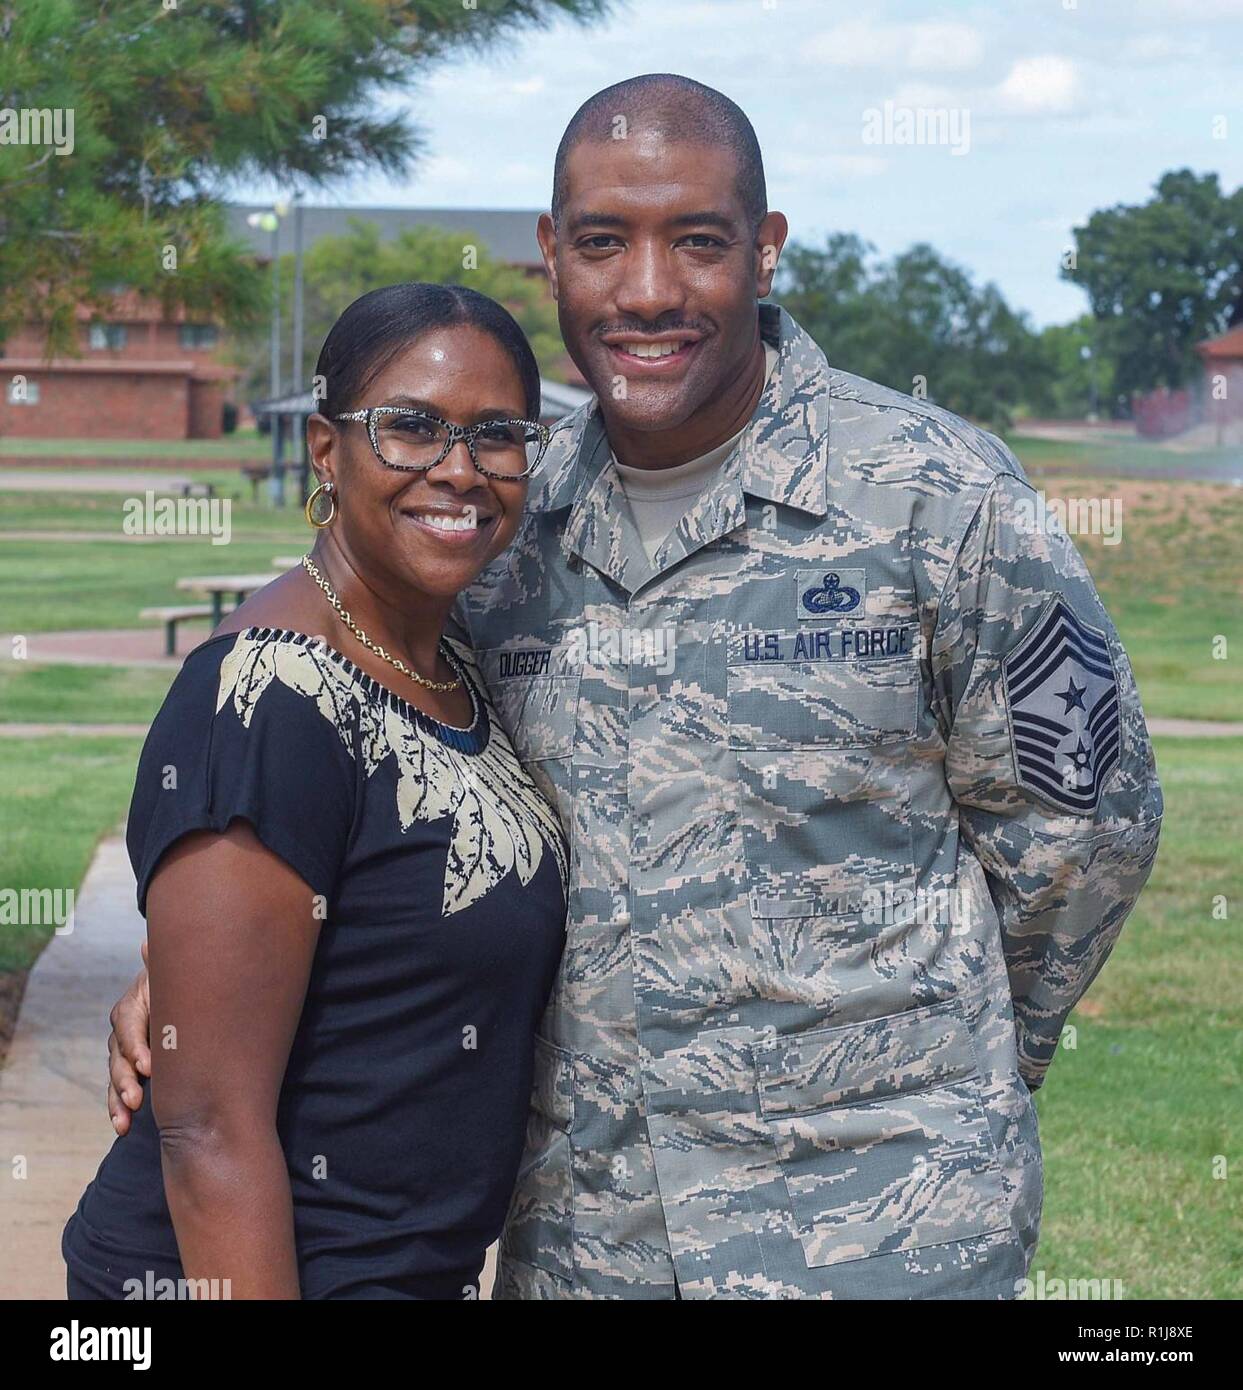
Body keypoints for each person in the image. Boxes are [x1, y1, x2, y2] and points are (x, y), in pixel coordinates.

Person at [107, 75, 1163, 1300]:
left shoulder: (939, 499)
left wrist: (948, 1070)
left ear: (764, 253)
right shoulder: (499, 515)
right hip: (585, 1244)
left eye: (698, 241)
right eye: (604, 243)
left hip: (881, 1237)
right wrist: (189, 982)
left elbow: (1084, 831)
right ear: (551, 257)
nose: (648, 290)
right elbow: (356, 758)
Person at [65, 283, 568, 1300]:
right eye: (410, 427)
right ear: (326, 451)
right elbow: (207, 1124)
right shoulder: (264, 696)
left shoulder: (454, 662)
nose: (458, 470)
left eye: (496, 435)